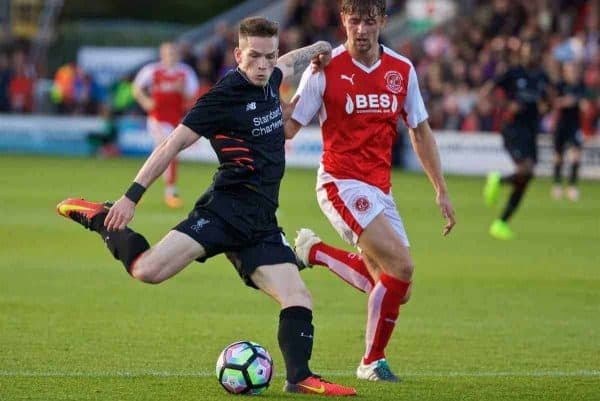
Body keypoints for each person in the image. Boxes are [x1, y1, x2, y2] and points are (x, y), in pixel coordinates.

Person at [56, 17, 355, 397]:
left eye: (269, 55)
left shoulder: (271, 77)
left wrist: (318, 51)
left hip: (260, 223)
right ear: (237, 55)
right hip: (223, 212)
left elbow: (289, 63)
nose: (263, 65)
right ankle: (100, 219)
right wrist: (132, 196)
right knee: (147, 270)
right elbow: (171, 144)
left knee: (298, 298)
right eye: (254, 57)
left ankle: (299, 378)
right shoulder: (221, 97)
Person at [285, 0, 456, 382]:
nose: (361, 29)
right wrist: (278, 78)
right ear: (343, 20)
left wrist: (441, 189)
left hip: (380, 188)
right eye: (354, 20)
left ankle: (314, 252)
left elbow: (420, 129)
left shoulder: (401, 69)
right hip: (339, 183)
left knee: (399, 289)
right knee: (402, 267)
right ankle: (371, 362)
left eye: (369, 20)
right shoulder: (325, 69)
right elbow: (289, 127)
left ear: (382, 21)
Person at [481, 41, 552, 240]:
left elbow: (550, 99)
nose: (531, 55)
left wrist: (546, 107)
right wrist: (505, 106)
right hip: (512, 129)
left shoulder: (541, 76)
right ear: (522, 54)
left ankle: (501, 222)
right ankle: (497, 179)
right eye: (528, 52)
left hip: (531, 131)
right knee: (526, 170)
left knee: (526, 178)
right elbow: (487, 91)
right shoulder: (513, 73)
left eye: (534, 52)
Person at [132, 42, 199, 208]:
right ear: (162, 55)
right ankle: (171, 192)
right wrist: (146, 101)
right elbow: (136, 88)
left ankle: (137, 191)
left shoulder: (185, 72)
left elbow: (192, 94)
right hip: (157, 119)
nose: (170, 56)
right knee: (170, 151)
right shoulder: (152, 70)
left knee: (160, 156)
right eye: (167, 53)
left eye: (173, 53)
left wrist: (182, 90)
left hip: (175, 119)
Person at [551, 62, 586, 201]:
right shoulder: (559, 86)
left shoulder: (579, 86)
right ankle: (557, 184)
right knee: (558, 156)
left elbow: (582, 101)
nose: (572, 72)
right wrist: (566, 101)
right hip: (561, 125)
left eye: (573, 70)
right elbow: (554, 101)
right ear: (564, 72)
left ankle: (572, 186)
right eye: (569, 70)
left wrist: (571, 102)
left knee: (576, 155)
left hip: (575, 125)